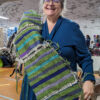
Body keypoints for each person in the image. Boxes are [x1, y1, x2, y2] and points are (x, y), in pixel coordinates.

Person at [20, 0, 95, 100]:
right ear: (43, 4)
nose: (50, 3)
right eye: (47, 0)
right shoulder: (37, 30)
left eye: (56, 1)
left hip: (64, 92)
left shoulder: (72, 28)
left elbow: (85, 57)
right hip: (38, 90)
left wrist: (89, 80)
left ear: (62, 6)